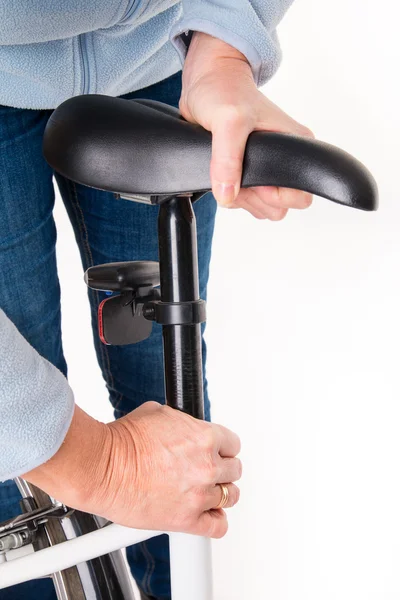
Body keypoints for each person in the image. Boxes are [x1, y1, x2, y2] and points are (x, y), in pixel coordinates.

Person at [0, 2, 313, 599]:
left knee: (169, 402)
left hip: (156, 54)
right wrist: (99, 465)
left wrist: (224, 43)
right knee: (20, 447)